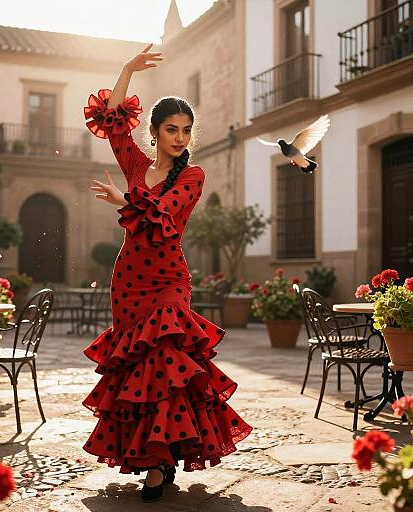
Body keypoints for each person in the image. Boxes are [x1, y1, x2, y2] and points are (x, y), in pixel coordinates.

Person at [82, 44, 252, 503]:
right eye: (172, 130)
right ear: (154, 132)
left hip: (168, 281)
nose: (180, 137)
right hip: (129, 282)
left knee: (169, 365)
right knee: (139, 373)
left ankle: (161, 462)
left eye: (186, 130)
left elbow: (165, 216)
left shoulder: (192, 176)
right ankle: (154, 459)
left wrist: (124, 201)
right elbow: (113, 121)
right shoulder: (137, 166)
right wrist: (126, 70)